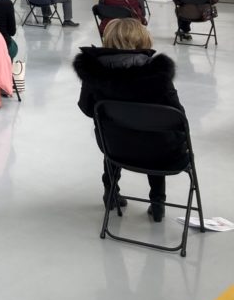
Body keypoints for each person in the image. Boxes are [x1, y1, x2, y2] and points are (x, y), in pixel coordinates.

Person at [73, 19, 182, 221]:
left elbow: (87, 109)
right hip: (158, 150)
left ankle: (110, 191)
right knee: (156, 138)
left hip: (115, 149)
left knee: (113, 133)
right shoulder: (158, 74)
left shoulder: (94, 72)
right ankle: (158, 202)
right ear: (143, 39)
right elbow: (177, 117)